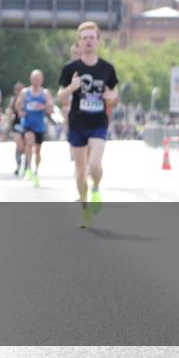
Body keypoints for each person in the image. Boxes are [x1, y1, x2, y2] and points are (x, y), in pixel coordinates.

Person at [57, 22, 119, 228]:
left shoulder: (107, 68)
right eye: (84, 38)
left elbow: (114, 96)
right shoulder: (70, 69)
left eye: (92, 37)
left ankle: (96, 190)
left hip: (98, 122)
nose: (88, 41)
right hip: (77, 124)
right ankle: (85, 211)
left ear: (98, 41)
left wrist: (112, 96)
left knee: (95, 165)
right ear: (79, 42)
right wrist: (72, 87)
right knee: (81, 171)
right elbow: (60, 96)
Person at [14, 70, 54, 188]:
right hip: (27, 123)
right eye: (33, 79)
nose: (36, 81)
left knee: (37, 150)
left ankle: (36, 169)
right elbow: (17, 104)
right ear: (30, 80)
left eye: (38, 79)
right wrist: (20, 111)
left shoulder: (45, 93)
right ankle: (28, 169)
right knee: (29, 142)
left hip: (40, 125)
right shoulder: (25, 92)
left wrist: (45, 106)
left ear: (42, 80)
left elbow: (50, 107)